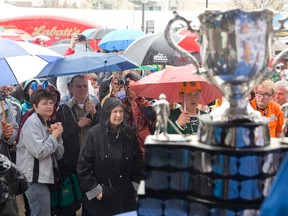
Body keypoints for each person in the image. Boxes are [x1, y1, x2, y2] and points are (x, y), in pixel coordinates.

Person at [77, 97, 144, 216]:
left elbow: (137, 162)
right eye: (115, 111)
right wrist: (95, 190)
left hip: (125, 196)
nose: (118, 115)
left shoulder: (128, 133)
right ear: (107, 112)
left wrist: (136, 186)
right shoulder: (94, 134)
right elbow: (83, 165)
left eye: (121, 111)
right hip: (102, 198)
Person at [56, 74, 101, 215]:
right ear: (70, 88)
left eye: (85, 86)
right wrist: (77, 125)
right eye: (78, 86)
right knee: (73, 201)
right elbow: (62, 135)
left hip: (92, 161)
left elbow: (104, 130)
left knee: (91, 200)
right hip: (73, 161)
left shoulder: (96, 105)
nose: (82, 89)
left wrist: (95, 114)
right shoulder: (64, 109)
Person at [16, 89, 64, 216]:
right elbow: (40, 152)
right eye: (44, 103)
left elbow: (59, 154)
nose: (49, 106)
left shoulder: (44, 123)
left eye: (50, 103)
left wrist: (57, 136)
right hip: (33, 180)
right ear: (35, 106)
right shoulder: (32, 122)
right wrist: (54, 135)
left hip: (42, 178)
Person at [121, 72, 156, 157]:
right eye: (127, 85)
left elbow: (153, 116)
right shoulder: (120, 104)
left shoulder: (145, 103)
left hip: (144, 150)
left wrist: (138, 97)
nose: (129, 88)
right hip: (127, 150)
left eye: (133, 85)